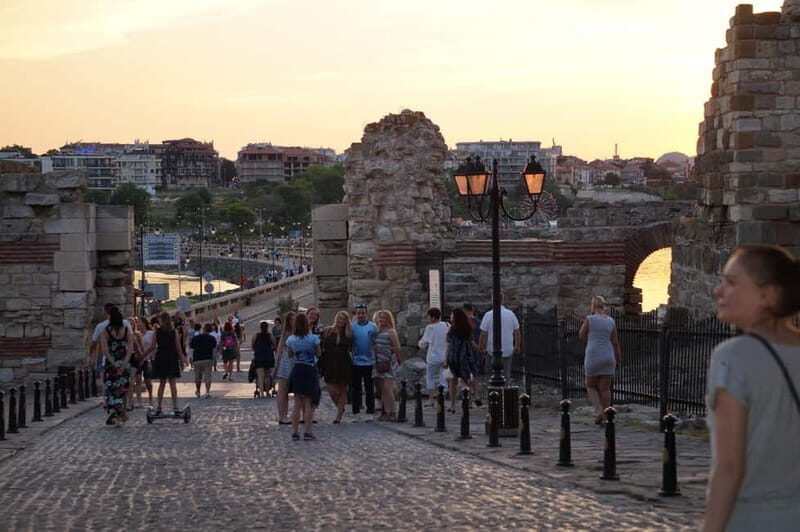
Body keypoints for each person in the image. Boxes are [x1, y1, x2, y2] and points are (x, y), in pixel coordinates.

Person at [703, 244, 800, 531]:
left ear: (766, 294)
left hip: (755, 518)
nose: (718, 291)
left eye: (731, 283)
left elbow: (730, 467)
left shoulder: (734, 356)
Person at [578, 296, 622, 425]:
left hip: (593, 355)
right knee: (605, 388)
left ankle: (599, 412)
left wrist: (591, 341)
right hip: (608, 356)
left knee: (591, 386)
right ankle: (607, 413)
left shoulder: (589, 319)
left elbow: (581, 335)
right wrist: (618, 358)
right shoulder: (611, 321)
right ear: (604, 306)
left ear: (593, 306)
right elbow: (615, 342)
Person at [286, 313, 322, 440]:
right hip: (309, 369)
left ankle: (295, 432)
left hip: (297, 369)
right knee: (308, 403)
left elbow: (290, 354)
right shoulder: (313, 339)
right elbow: (318, 353)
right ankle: (307, 431)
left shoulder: (291, 339)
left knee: (297, 403)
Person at [100, 307, 133, 426]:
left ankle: (118, 413)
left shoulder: (106, 331)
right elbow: (130, 349)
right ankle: (121, 413)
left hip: (111, 365)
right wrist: (124, 364)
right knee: (122, 390)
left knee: (112, 390)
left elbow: (105, 350)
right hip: (124, 364)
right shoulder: (126, 330)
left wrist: (114, 364)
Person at [478, 293, 520, 382]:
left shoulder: (488, 315)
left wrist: (481, 346)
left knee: (490, 372)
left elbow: (483, 333)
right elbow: (517, 331)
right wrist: (517, 345)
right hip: (508, 347)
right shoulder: (511, 314)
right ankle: (505, 390)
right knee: (506, 373)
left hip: (491, 348)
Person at [319, 311, 353, 423]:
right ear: (336, 319)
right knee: (332, 390)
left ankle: (338, 415)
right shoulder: (328, 331)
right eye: (339, 318)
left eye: (343, 319)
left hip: (343, 362)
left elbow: (351, 348)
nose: (341, 321)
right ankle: (340, 406)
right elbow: (321, 345)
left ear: (346, 321)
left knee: (343, 389)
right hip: (329, 362)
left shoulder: (348, 333)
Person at [152, 311, 188, 415]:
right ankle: (175, 406)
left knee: (162, 383)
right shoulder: (174, 332)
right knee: (173, 383)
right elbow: (178, 348)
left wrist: (145, 355)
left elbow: (152, 346)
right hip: (171, 357)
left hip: (161, 356)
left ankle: (159, 407)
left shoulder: (157, 331)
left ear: (161, 320)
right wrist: (183, 359)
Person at [446, 308, 480, 410]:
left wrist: (446, 359)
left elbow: (449, 345)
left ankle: (452, 404)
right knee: (466, 380)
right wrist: (479, 349)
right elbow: (472, 342)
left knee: (453, 381)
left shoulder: (452, 329)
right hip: (466, 356)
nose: (451, 317)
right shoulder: (468, 328)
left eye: (452, 315)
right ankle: (468, 401)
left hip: (455, 357)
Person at [418, 307, 450, 408]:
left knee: (430, 377)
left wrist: (419, 344)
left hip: (433, 356)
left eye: (428, 317)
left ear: (432, 317)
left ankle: (431, 399)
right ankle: (442, 399)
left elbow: (423, 343)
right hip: (445, 356)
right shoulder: (447, 325)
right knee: (442, 377)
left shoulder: (430, 327)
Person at [373, 310, 402, 421]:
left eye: (384, 318)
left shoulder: (391, 332)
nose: (381, 320)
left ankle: (393, 412)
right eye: (380, 318)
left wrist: (386, 349)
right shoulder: (377, 331)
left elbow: (397, 348)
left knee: (388, 388)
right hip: (378, 362)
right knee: (382, 389)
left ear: (388, 319)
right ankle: (386, 412)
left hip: (389, 362)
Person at [351, 304, 378, 421]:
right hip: (356, 361)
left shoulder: (373, 326)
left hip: (369, 362)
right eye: (359, 313)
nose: (361, 315)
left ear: (367, 314)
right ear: (356, 314)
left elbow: (376, 341)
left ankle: (370, 409)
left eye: (363, 313)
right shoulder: (352, 327)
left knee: (369, 387)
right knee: (356, 387)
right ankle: (356, 409)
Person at [274, 311, 297, 424]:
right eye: (291, 319)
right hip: (286, 360)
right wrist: (276, 362)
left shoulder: (298, 332)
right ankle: (282, 416)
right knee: (283, 389)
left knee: (292, 390)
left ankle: (287, 415)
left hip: (295, 361)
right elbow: (280, 347)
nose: (293, 321)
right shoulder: (286, 332)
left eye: (294, 319)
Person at [190, 323, 217, 398]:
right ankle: (207, 391)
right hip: (208, 359)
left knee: (198, 376)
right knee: (208, 376)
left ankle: (198, 391)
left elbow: (192, 348)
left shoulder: (196, 338)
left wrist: (191, 358)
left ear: (203, 329)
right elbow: (214, 349)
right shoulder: (212, 338)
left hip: (197, 359)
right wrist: (214, 359)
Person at [251, 321, 276, 398]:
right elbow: (275, 345)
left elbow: (253, 345)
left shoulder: (256, 335)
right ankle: (268, 391)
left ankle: (261, 392)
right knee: (268, 375)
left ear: (260, 327)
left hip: (259, 357)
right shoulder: (270, 336)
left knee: (260, 376)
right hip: (268, 356)